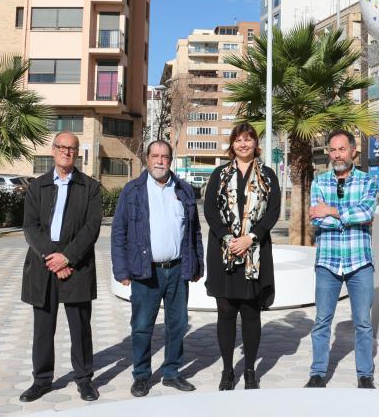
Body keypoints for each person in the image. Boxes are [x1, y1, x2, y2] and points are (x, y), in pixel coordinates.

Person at [111, 140, 204, 397]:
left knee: (178, 324)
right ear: (147, 159)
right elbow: (119, 232)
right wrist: (121, 270)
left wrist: (198, 264)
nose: (160, 161)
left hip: (177, 270)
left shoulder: (184, 190)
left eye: (164, 156)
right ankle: (141, 375)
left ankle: (171, 372)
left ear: (170, 160)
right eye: (155, 156)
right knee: (142, 325)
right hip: (145, 271)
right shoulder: (133, 191)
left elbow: (194, 231)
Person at [20, 132, 103, 403]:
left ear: (77, 153)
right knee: (43, 328)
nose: (67, 152)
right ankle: (41, 380)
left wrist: (66, 258)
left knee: (80, 327)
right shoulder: (38, 186)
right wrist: (53, 257)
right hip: (44, 265)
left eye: (72, 148)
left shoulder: (90, 187)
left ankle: (84, 380)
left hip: (76, 266)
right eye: (62, 147)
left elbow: (91, 228)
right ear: (53, 150)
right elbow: (30, 227)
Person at [204, 122, 281, 390]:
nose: (243, 144)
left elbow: (273, 211)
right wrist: (229, 239)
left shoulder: (269, 175)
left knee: (251, 311)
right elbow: (211, 212)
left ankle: (249, 370)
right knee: (225, 312)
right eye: (239, 140)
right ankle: (227, 370)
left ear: (255, 144)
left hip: (255, 253)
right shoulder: (219, 174)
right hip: (224, 253)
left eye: (248, 139)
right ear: (232, 144)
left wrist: (250, 238)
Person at [304, 129, 378, 389]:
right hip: (328, 262)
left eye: (342, 149)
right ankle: (317, 373)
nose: (337, 155)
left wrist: (331, 211)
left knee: (364, 323)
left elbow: (367, 213)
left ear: (353, 151)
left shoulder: (368, 182)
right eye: (333, 150)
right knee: (322, 321)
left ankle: (365, 375)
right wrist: (343, 217)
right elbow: (317, 220)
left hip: (360, 262)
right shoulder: (319, 183)